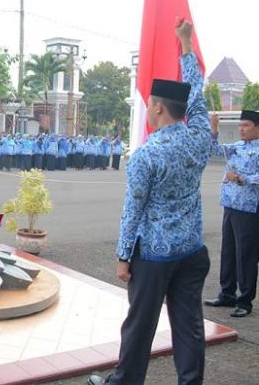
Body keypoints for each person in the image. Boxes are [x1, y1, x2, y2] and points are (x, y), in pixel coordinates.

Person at [88, 21, 211, 385]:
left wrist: (124, 256)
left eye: (150, 103)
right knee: (189, 326)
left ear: (157, 108)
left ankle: (125, 383)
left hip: (154, 256)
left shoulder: (146, 155)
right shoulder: (200, 137)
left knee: (140, 326)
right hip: (191, 249)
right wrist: (186, 44)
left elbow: (133, 209)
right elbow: (199, 95)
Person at [203, 110, 259, 318]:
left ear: (257, 128)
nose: (241, 129)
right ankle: (227, 293)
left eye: (246, 125)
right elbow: (213, 151)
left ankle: (245, 300)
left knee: (245, 256)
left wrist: (240, 178)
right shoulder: (237, 147)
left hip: (250, 208)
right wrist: (214, 128)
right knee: (228, 252)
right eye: (240, 125)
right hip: (230, 204)